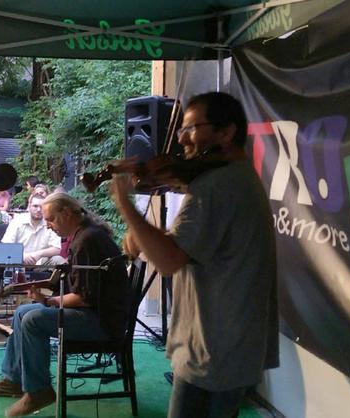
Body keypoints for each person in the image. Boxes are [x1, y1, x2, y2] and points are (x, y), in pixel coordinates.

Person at [109, 92, 279, 418]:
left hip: (215, 347)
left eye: (191, 129)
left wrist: (125, 203)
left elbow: (168, 261)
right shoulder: (233, 179)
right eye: (181, 131)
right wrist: (141, 231)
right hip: (224, 343)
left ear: (226, 133)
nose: (182, 140)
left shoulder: (215, 186)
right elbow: (145, 246)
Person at [0, 192, 129, 417]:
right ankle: (13, 380)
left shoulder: (87, 240)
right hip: (97, 314)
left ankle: (39, 390)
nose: (48, 226)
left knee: (32, 319)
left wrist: (48, 300)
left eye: (51, 219)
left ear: (66, 213)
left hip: (103, 323)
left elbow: (83, 298)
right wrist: (47, 297)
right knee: (22, 312)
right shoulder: (84, 235)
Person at [1, 193, 64, 265]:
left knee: (58, 260)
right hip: (18, 262)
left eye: (42, 207)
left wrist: (39, 254)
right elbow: (6, 246)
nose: (38, 210)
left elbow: (57, 249)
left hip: (41, 263)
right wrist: (22, 255)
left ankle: (72, 276)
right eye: (35, 206)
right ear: (29, 206)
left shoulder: (50, 222)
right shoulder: (17, 221)